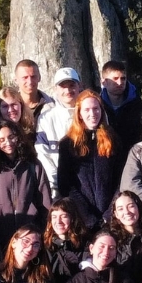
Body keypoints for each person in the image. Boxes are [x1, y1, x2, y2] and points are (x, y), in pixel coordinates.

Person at [0, 124, 51, 242]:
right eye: (2, 140)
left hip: (30, 232)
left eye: (11, 137)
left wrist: (44, 227)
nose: (8, 142)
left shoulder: (33, 165)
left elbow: (45, 200)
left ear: (18, 137)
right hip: (0, 234)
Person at [56, 89, 120, 226]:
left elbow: (120, 180)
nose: (92, 114)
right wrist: (87, 217)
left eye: (96, 109)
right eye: (87, 110)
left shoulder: (113, 139)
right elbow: (66, 184)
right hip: (81, 218)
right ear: (79, 113)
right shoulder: (67, 144)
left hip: (110, 218)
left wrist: (109, 214)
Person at [33, 66, 84, 192]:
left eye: (72, 85)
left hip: (87, 186)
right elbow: (44, 155)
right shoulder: (46, 118)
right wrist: (57, 184)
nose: (68, 90)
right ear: (55, 89)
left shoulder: (91, 114)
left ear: (79, 86)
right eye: (62, 86)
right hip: (58, 188)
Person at [99, 60, 142, 175]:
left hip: (135, 166)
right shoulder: (97, 108)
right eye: (115, 78)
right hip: (107, 166)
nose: (120, 82)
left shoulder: (140, 108)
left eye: (123, 78)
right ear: (104, 82)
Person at [106, 191, 142, 275]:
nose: (127, 212)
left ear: (138, 207)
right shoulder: (111, 240)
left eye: (131, 206)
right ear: (116, 214)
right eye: (120, 209)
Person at [42, 197, 88, 281]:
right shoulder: (44, 245)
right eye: (54, 217)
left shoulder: (85, 244)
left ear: (73, 218)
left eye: (63, 216)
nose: (58, 221)